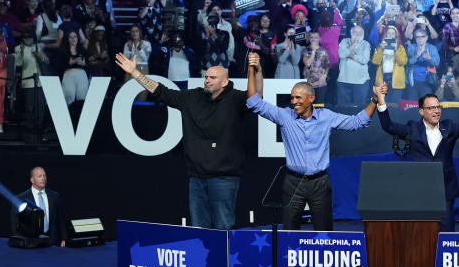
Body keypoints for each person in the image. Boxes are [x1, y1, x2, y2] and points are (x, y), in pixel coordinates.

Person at [246, 51, 380, 231]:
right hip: (293, 182)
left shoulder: (327, 117)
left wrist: (374, 100)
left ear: (311, 98)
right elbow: (254, 102)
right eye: (292, 98)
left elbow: (357, 122)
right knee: (290, 230)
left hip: (320, 183)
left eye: (298, 98)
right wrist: (252, 69)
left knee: (323, 230)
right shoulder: (285, 116)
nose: (294, 102)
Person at [115, 53, 250, 230]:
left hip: (224, 178)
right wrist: (135, 73)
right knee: (198, 228)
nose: (207, 80)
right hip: (196, 178)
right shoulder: (192, 98)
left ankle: (224, 258)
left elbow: (256, 97)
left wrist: (257, 70)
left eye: (213, 77)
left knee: (223, 227)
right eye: (206, 77)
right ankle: (203, 259)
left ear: (225, 82)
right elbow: (161, 92)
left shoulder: (236, 99)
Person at [377, 82, 459, 231]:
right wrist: (381, 99)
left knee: (446, 234)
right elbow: (389, 126)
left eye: (438, 107)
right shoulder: (412, 129)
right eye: (431, 108)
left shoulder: (450, 127)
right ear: (421, 111)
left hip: (444, 191)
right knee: (419, 233)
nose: (436, 111)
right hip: (418, 190)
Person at [11, 166, 65, 246]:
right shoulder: (21, 199)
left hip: (53, 243)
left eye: (44, 176)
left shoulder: (54, 196)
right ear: (32, 180)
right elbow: (15, 225)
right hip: (31, 244)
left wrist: (64, 238)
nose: (43, 178)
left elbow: (60, 219)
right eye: (40, 176)